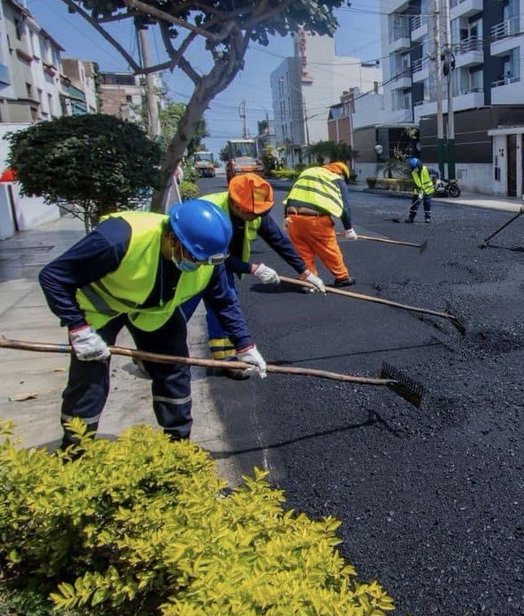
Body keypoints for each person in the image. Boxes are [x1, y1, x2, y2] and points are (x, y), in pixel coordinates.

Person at [37, 201, 268, 452]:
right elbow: (53, 277)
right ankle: (75, 451)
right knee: (89, 379)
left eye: (205, 261)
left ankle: (177, 447)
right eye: (194, 258)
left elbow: (224, 302)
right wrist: (78, 329)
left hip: (154, 312)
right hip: (100, 310)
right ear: (171, 239)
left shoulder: (207, 259)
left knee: (174, 370)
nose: (199, 265)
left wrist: (245, 345)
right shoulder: (118, 239)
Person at [183, 174, 325, 376]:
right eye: (254, 213)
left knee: (224, 305)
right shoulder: (208, 211)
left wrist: (305, 272)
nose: (258, 217)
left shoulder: (255, 211)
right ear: (237, 205)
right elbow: (214, 257)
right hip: (193, 265)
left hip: (221, 264)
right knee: (179, 311)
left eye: (261, 212)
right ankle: (152, 353)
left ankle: (226, 360)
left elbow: (279, 242)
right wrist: (252, 268)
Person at [284, 161, 358, 287]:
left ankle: (309, 281)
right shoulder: (336, 178)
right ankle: (342, 277)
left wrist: (286, 218)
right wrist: (348, 229)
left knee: (303, 252)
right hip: (315, 220)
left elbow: (293, 194)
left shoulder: (308, 172)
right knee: (329, 248)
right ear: (341, 173)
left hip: (292, 218)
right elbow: (345, 208)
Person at [402, 157, 434, 224]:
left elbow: (437, 172)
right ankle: (411, 218)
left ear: (419, 165)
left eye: (416, 167)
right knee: (414, 204)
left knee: (427, 204)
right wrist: (420, 193)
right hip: (418, 191)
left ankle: (427, 218)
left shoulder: (427, 169)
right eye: (414, 168)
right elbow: (416, 184)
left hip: (428, 190)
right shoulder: (413, 173)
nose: (415, 169)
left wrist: (438, 180)